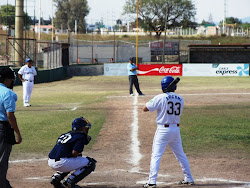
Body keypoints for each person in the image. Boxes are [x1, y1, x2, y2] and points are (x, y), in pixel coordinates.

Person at [142, 76, 194, 188]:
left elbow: (145, 108)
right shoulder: (181, 99)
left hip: (163, 130)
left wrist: (156, 100)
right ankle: (189, 178)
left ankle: (152, 181)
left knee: (156, 155)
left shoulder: (160, 97)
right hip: (175, 130)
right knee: (181, 155)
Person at [48, 117, 97, 188]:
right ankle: (70, 181)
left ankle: (56, 178)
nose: (87, 129)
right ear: (80, 128)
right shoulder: (80, 136)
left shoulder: (66, 134)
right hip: (62, 163)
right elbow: (74, 153)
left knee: (72, 160)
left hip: (50, 161)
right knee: (90, 163)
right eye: (85, 127)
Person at [0, 67, 22, 188]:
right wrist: (17, 133)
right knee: (2, 161)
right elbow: (10, 116)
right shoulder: (8, 93)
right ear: (7, 80)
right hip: (2, 128)